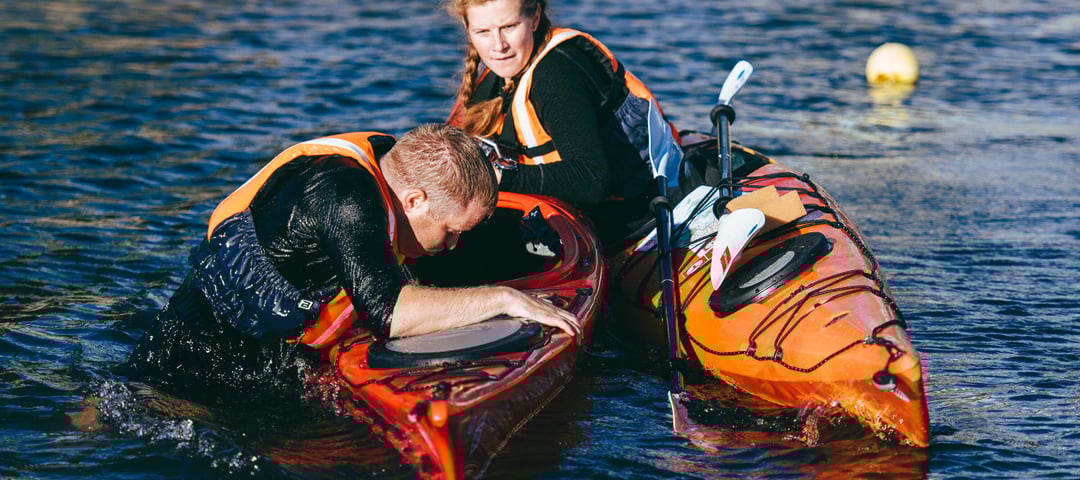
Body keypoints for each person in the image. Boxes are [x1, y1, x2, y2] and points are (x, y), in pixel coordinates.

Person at [122, 123, 580, 406]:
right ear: (415, 200)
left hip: (268, 351)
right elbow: (390, 313)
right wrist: (503, 298)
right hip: (187, 374)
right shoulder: (346, 198)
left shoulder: (388, 162)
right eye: (452, 231)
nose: (455, 244)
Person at [443, 0, 682, 252]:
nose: (498, 45)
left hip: (627, 217)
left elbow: (592, 179)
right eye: (483, 32)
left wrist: (499, 176)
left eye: (509, 27)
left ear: (535, 17)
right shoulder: (495, 77)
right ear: (467, 28)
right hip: (561, 212)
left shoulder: (556, 75)